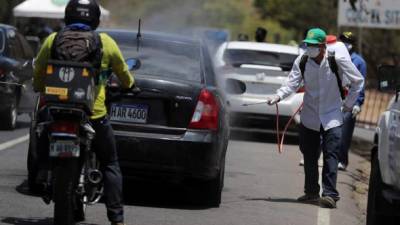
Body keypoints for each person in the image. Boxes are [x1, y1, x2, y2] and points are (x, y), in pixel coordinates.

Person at [32, 0, 134, 224]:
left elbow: (39, 72)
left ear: (67, 17)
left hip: (57, 111)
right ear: (96, 19)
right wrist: (128, 84)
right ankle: (116, 218)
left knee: (40, 132)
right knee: (110, 163)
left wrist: (39, 86)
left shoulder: (53, 39)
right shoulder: (105, 42)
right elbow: (125, 76)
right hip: (93, 115)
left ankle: (43, 174)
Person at [267, 28, 364, 208]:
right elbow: (291, 83)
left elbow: (358, 81)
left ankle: (330, 195)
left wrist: (349, 105)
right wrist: (278, 96)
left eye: (313, 45)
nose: (309, 48)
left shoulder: (337, 60)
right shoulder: (302, 60)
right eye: (307, 44)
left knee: (331, 154)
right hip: (310, 115)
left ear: (322, 46)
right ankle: (311, 192)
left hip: (332, 115)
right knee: (309, 154)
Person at [338, 31, 367, 171]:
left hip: (351, 100)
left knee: (345, 133)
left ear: (353, 45)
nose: (345, 43)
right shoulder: (335, 57)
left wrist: (358, 104)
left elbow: (361, 84)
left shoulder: (359, 62)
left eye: (347, 41)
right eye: (342, 40)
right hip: (335, 99)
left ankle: (342, 161)